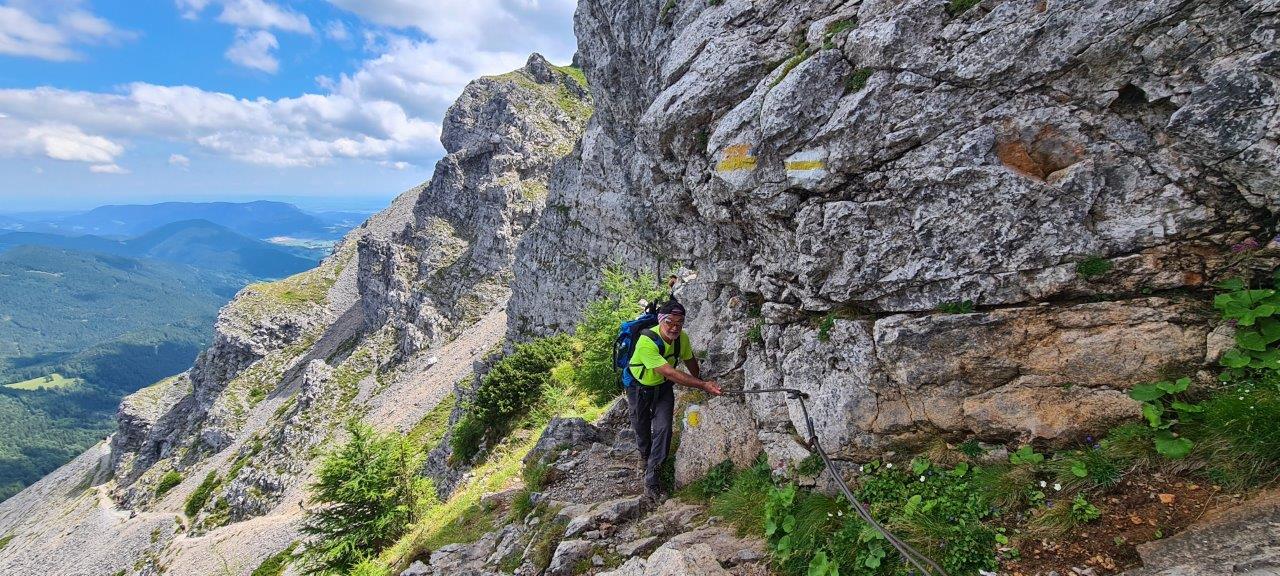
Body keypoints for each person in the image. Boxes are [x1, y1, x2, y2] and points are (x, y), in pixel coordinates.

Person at [627, 300, 722, 505]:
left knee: (664, 429)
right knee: (641, 429)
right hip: (638, 388)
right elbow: (670, 372)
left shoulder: (682, 339)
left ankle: (652, 479)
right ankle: (644, 457)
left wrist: (702, 380)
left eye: (680, 322)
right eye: (670, 322)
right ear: (661, 321)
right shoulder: (646, 342)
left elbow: (689, 360)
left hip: (662, 389)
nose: (675, 327)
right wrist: (702, 385)